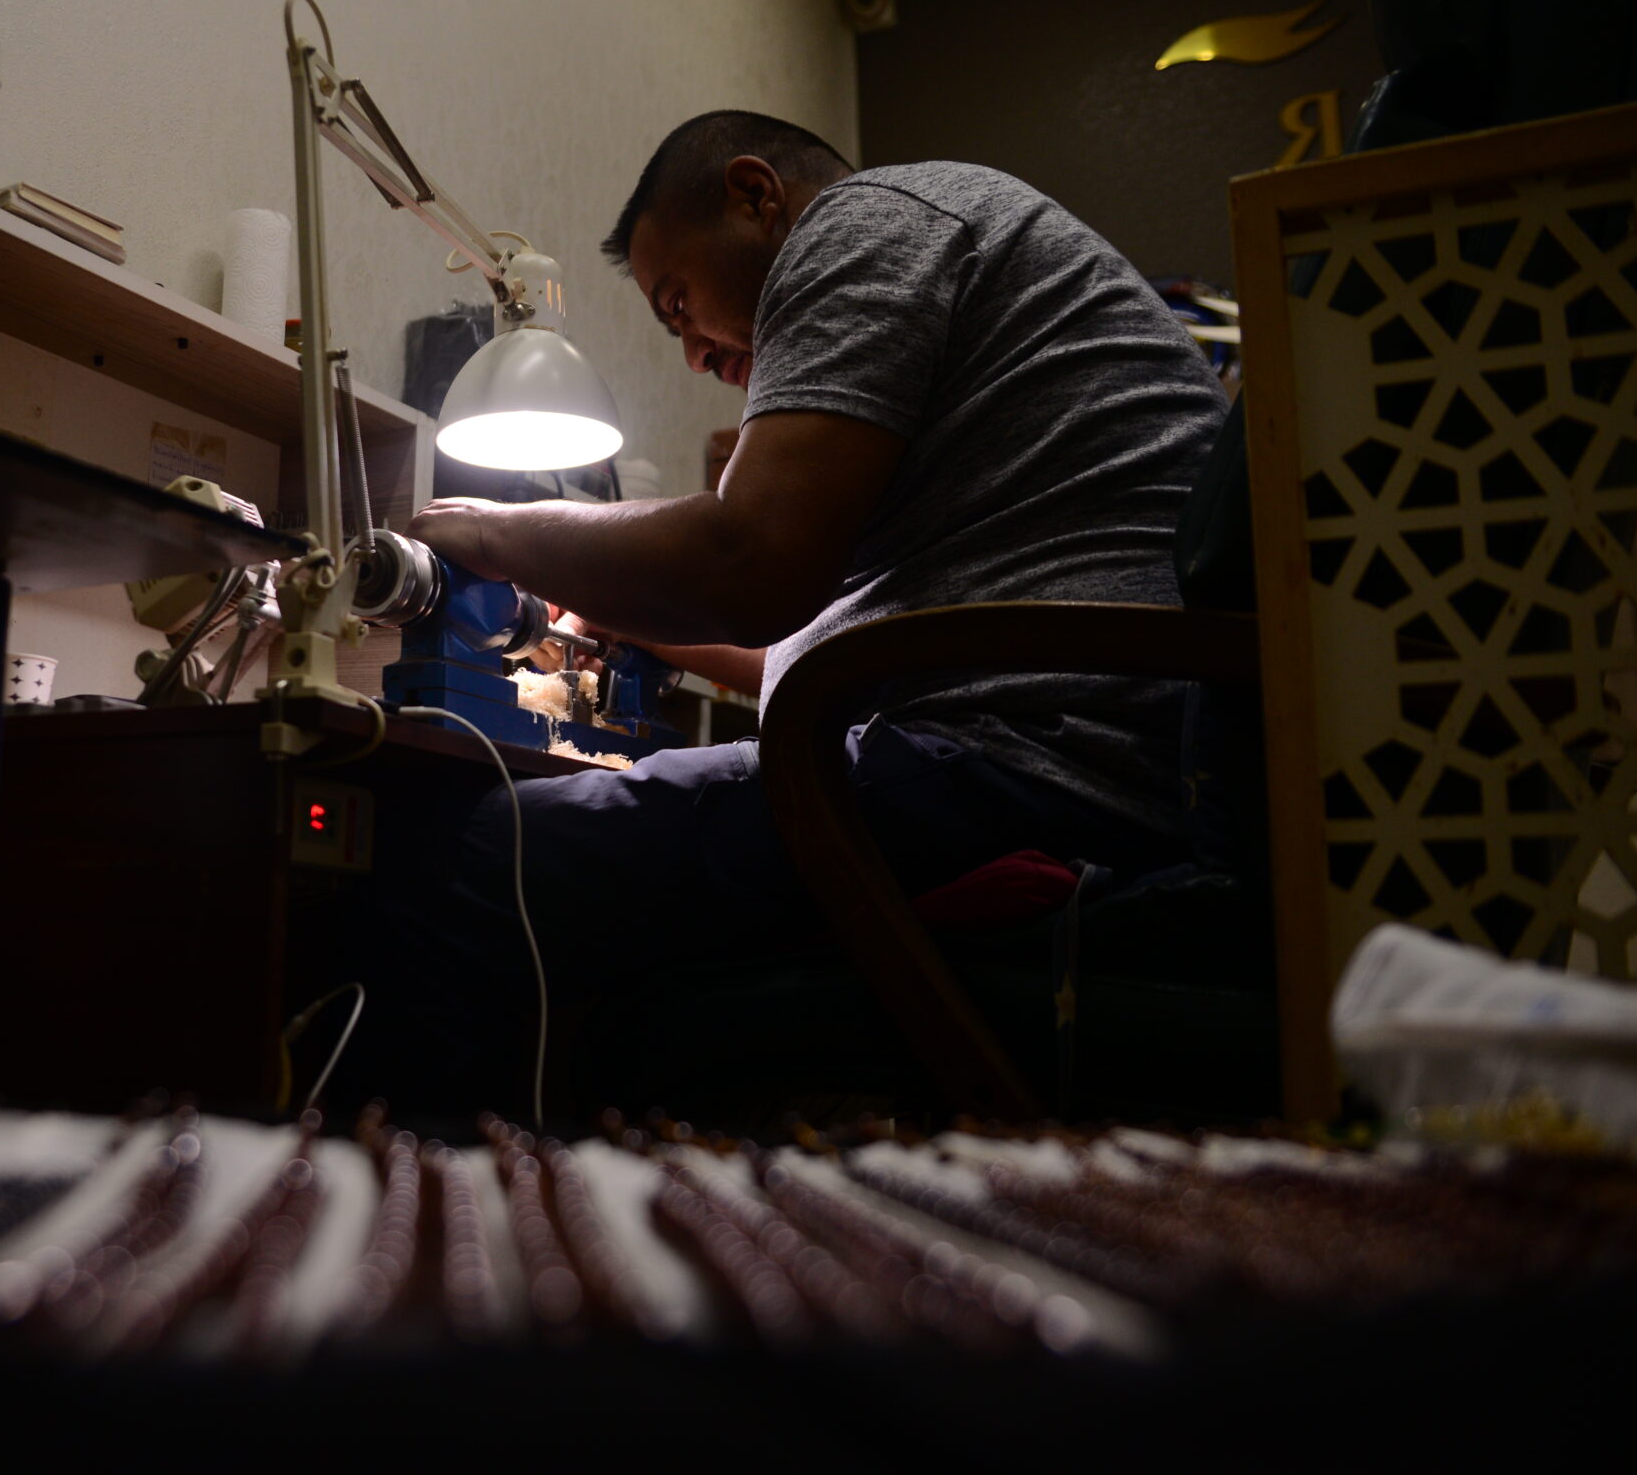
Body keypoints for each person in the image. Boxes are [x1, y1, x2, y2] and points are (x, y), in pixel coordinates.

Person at [336, 111, 1228, 1116]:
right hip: (1076, 745)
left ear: (757, 197)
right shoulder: (950, 264)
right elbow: (801, 641)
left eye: (679, 305)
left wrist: (488, 531)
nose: (692, 354)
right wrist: (619, 608)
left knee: (464, 854)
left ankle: (420, 1204)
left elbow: (749, 563)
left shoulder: (868, 223)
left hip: (1031, 759)